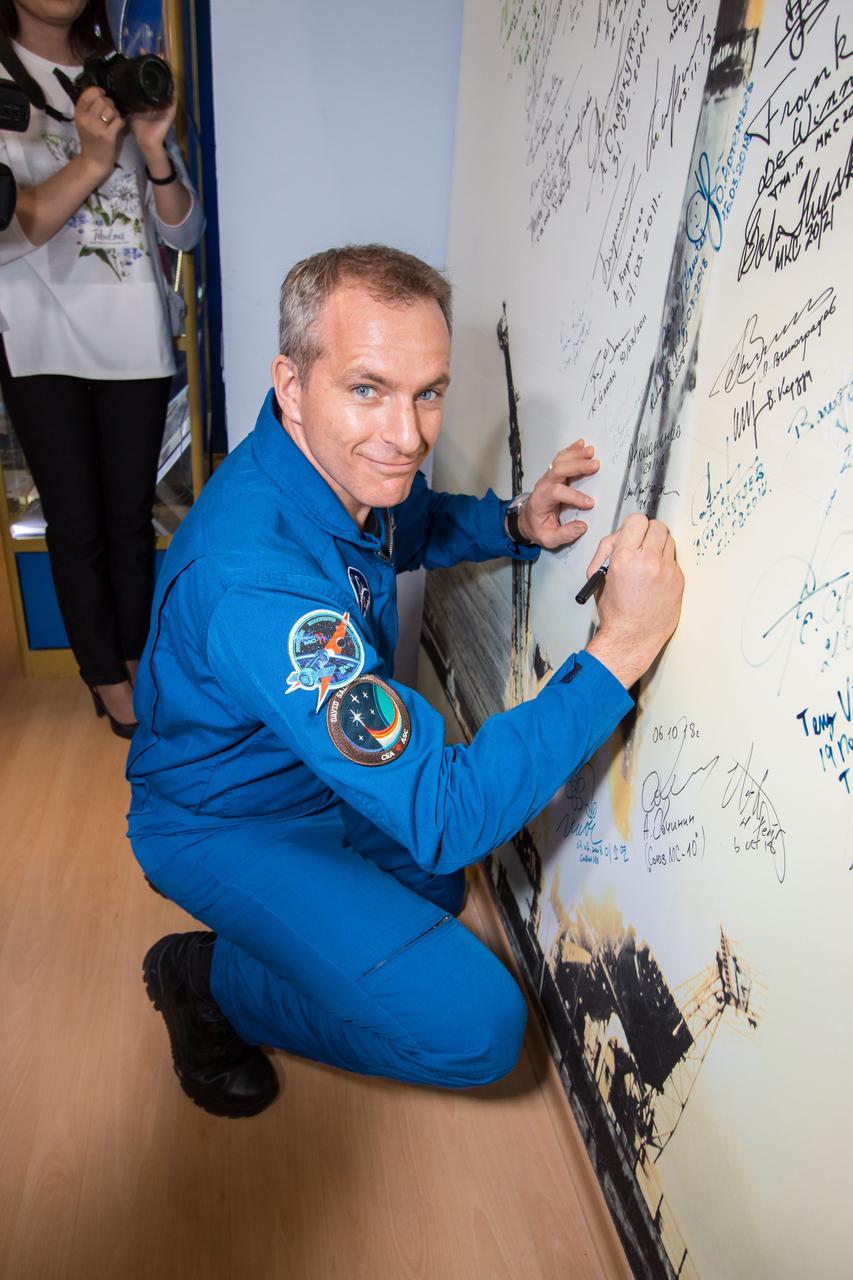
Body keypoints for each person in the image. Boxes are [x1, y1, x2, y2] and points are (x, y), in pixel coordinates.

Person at [127, 244, 684, 1118]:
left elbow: (409, 524)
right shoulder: (255, 582)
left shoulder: (335, 469)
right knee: (478, 1029)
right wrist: (619, 650)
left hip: (306, 774)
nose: (409, 433)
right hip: (222, 819)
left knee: (434, 891)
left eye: (427, 391)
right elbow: (444, 813)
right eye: (367, 388)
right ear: (289, 382)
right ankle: (204, 979)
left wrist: (513, 522)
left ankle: (269, 949)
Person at [0, 0, 203, 734]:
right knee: (76, 522)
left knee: (126, 519)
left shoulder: (116, 75)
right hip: (38, 337)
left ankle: (139, 660)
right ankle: (103, 676)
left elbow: (184, 229)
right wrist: (90, 157)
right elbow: (10, 227)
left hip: (133, 335)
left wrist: (152, 147)